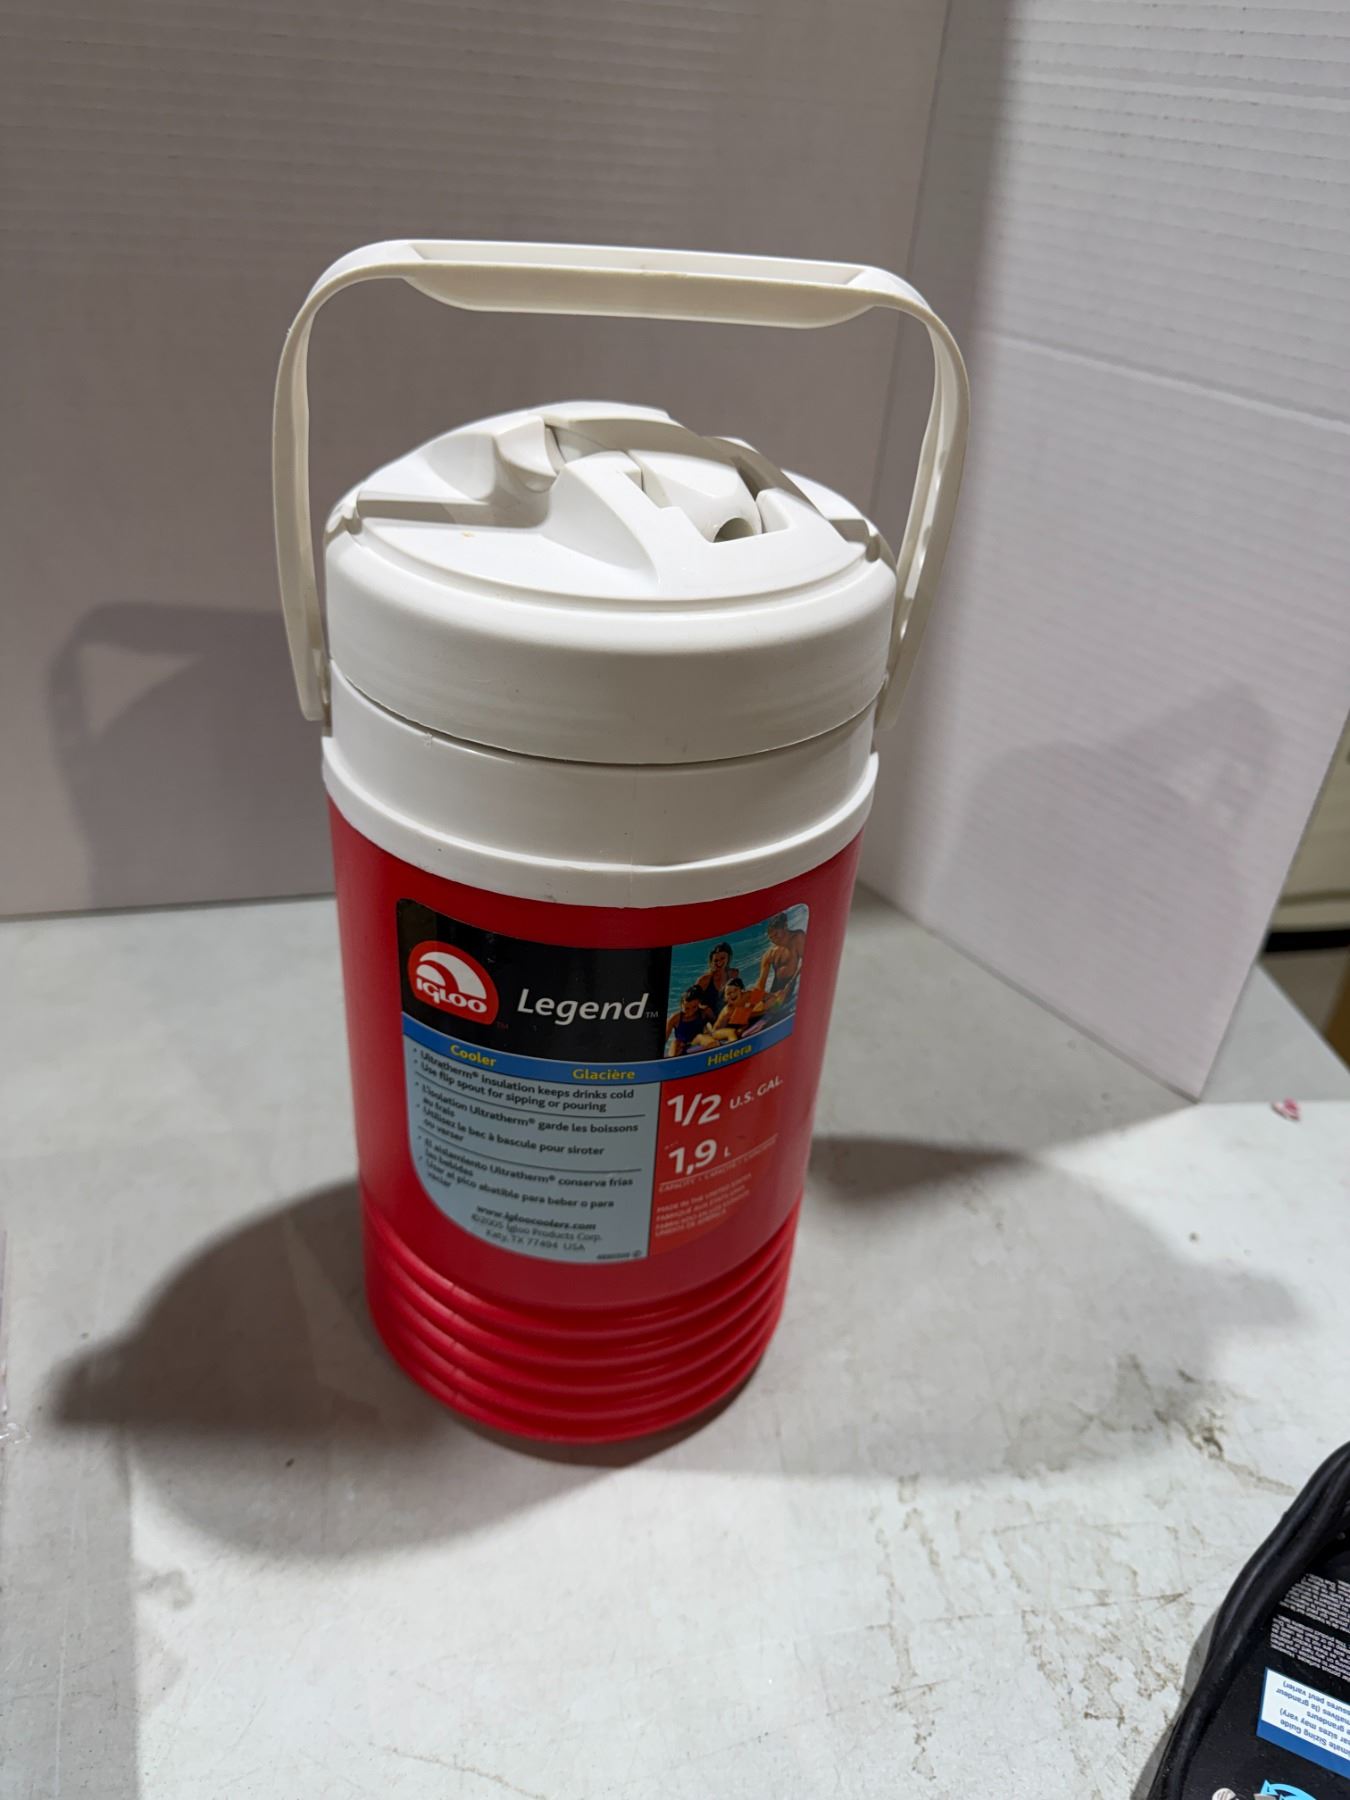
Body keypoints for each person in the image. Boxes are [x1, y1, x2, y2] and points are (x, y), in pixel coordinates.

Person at [706, 976, 770, 1043]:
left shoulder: (747, 995)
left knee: (763, 1003)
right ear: (725, 998)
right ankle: (735, 1046)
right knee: (732, 1032)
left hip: (737, 1024)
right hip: (718, 1031)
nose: (733, 994)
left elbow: (762, 994)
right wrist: (764, 1012)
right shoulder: (728, 1010)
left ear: (740, 990)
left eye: (735, 990)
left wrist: (768, 998)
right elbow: (748, 1016)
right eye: (729, 993)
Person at [758, 913, 805, 1001]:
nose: (774, 940)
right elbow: (761, 984)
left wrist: (790, 983)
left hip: (787, 992)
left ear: (785, 926)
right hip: (774, 994)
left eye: (776, 934)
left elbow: (806, 961)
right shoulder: (771, 953)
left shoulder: (797, 937)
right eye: (771, 938)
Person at [694, 941, 739, 1018]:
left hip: (727, 1015)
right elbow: (692, 1003)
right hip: (708, 1019)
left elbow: (738, 995)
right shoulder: (704, 980)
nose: (719, 963)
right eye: (716, 960)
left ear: (728, 958)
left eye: (722, 958)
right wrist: (705, 1009)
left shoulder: (733, 974)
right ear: (711, 962)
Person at [666, 987, 713, 1055]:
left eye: (694, 1007)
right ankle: (672, 1060)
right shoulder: (674, 1018)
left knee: (701, 1037)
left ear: (698, 1004)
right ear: (681, 1005)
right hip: (681, 1047)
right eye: (687, 1008)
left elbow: (715, 1026)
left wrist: (709, 1030)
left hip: (697, 1044)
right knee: (675, 1042)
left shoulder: (704, 1012)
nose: (691, 1012)